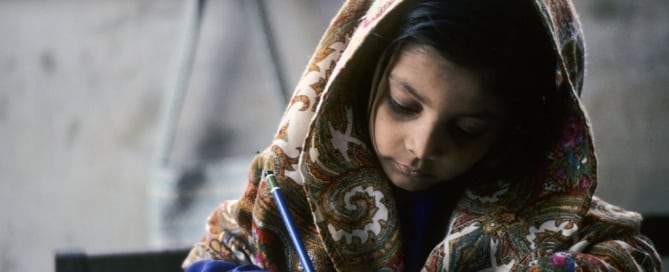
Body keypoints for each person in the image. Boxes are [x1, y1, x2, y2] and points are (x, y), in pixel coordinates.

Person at [183, 0, 662, 271]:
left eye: (467, 129)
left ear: (515, 127)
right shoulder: (286, 185)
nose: (422, 147)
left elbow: (633, 257)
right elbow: (214, 258)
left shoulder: (548, 211)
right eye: (403, 105)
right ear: (361, 73)